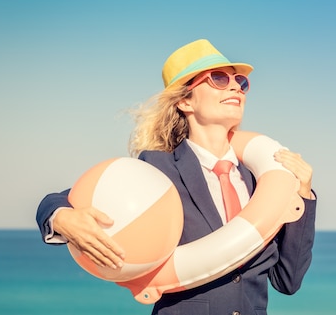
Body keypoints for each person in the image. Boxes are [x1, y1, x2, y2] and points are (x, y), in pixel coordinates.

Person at [36, 39, 317, 315]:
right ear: (185, 100)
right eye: (218, 78)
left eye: (241, 81)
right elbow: (66, 198)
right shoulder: (158, 168)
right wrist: (60, 217)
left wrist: (304, 194)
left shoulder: (262, 183)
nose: (235, 86)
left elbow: (287, 281)